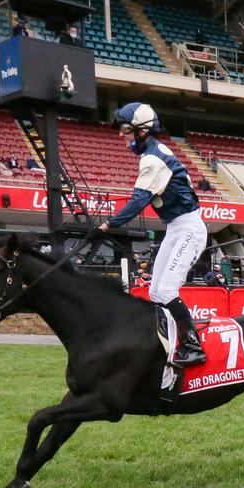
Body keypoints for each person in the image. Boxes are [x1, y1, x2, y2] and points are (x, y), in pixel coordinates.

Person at [86, 102, 207, 365]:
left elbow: (138, 200)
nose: (121, 135)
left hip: (188, 228)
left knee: (164, 291)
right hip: (177, 227)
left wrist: (107, 225)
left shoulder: (152, 158)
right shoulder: (154, 152)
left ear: (142, 131)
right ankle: (166, 341)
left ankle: (193, 345)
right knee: (154, 292)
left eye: (126, 129)